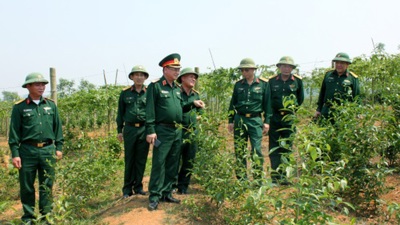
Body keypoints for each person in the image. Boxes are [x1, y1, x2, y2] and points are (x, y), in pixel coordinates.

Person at [145, 53, 204, 211]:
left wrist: (192, 103)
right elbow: (149, 110)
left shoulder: (177, 89)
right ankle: (154, 196)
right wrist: (151, 130)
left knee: (172, 162)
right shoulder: (156, 86)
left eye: (178, 69)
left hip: (177, 131)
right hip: (162, 130)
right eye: (174, 69)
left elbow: (180, 108)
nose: (177, 72)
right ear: (165, 69)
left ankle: (167, 192)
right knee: (159, 163)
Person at [8, 72, 64, 224]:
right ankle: (29, 218)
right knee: (27, 186)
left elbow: (58, 128)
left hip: (47, 150)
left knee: (47, 185)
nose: (42, 87)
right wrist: (15, 153)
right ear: (28, 87)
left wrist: (59, 147)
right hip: (27, 151)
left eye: (43, 84)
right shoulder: (19, 108)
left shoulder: (50, 105)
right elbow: (14, 132)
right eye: (37, 84)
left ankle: (46, 217)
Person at [228, 58, 270, 182]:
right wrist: (230, 120)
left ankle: (257, 179)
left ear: (253, 70)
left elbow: (268, 104)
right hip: (240, 119)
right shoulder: (238, 85)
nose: (244, 72)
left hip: (255, 120)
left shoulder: (263, 84)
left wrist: (267, 121)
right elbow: (232, 104)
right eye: (242, 70)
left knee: (256, 150)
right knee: (240, 149)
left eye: (246, 69)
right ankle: (242, 179)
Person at [268, 56, 304, 184]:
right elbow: (268, 99)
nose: (286, 68)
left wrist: (291, 112)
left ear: (292, 68)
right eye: (283, 66)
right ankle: (275, 176)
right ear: (279, 67)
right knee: (274, 147)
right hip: (275, 117)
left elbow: (300, 99)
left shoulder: (298, 81)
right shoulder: (271, 81)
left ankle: (284, 177)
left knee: (287, 147)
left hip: (289, 118)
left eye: (289, 66)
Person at [116, 65, 150, 198]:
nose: (139, 77)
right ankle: (127, 189)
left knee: (141, 159)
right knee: (129, 159)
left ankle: (138, 187)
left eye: (142, 75)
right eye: (136, 75)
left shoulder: (149, 93)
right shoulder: (125, 93)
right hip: (129, 129)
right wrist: (119, 130)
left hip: (144, 129)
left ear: (145, 77)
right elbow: (120, 113)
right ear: (132, 77)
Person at [175, 67, 203, 194]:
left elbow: (200, 110)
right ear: (183, 78)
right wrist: (192, 104)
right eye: (191, 76)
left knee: (189, 160)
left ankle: (183, 187)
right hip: (179, 130)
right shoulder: (176, 93)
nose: (193, 79)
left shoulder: (195, 94)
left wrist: (199, 116)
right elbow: (176, 108)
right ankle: (171, 186)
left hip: (192, 132)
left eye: (195, 77)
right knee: (174, 159)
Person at [314, 52, 360, 122]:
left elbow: (357, 96)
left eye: (342, 63)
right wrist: (318, 109)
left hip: (344, 112)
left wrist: (357, 113)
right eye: (337, 63)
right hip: (327, 111)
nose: (339, 65)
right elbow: (322, 93)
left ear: (347, 64)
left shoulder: (352, 78)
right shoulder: (328, 75)